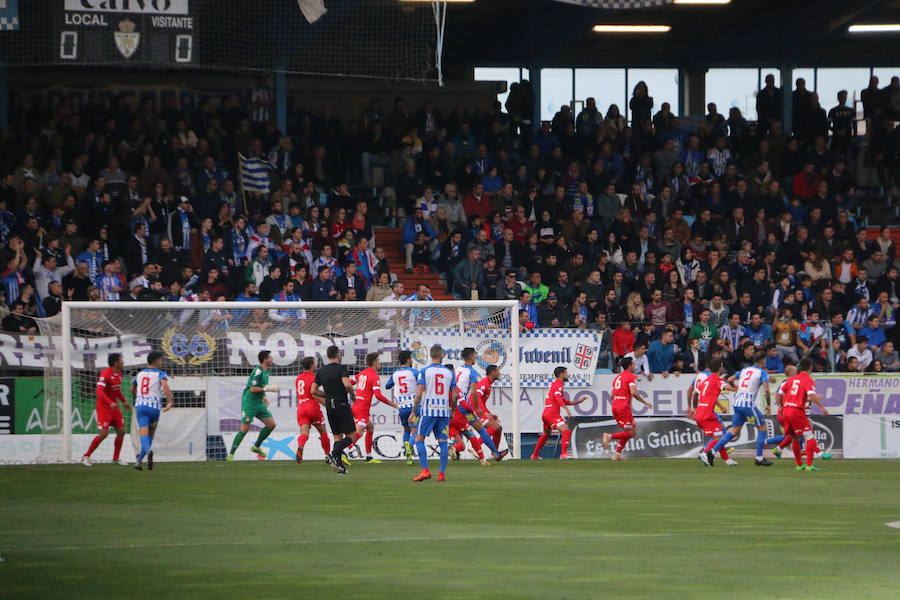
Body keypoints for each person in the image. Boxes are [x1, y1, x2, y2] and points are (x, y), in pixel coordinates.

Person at [717, 351, 774, 466]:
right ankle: (759, 458)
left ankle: (711, 451)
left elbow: (730, 380)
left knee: (734, 431)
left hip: (737, 402)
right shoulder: (762, 372)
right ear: (763, 360)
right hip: (748, 404)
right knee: (762, 427)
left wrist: (736, 388)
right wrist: (768, 404)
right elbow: (767, 390)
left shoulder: (744, 370)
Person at [410, 345, 457, 482]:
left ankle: (425, 470)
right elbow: (454, 394)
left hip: (429, 410)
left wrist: (414, 411)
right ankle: (441, 475)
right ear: (442, 355)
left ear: (430, 355)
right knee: (443, 442)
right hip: (444, 411)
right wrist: (452, 410)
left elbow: (419, 393)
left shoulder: (425, 371)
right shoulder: (449, 373)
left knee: (419, 439)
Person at [453, 349, 506, 460]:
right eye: (475, 355)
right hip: (464, 407)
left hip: (454, 405)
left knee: (459, 429)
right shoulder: (473, 373)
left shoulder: (458, 369)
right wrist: (477, 409)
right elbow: (474, 393)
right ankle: (495, 453)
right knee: (482, 430)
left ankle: (455, 449)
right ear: (471, 356)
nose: (476, 357)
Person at [227, 350, 279, 461]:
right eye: (270, 357)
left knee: (271, 424)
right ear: (265, 359)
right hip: (249, 403)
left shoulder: (266, 371)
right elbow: (252, 388)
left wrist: (264, 396)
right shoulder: (258, 371)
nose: (272, 359)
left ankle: (256, 447)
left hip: (258, 402)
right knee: (244, 429)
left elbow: (261, 387)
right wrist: (267, 389)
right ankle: (231, 455)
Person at [81, 353, 132, 467]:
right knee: (104, 434)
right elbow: (99, 391)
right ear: (115, 362)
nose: (123, 362)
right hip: (104, 408)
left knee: (121, 431)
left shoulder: (118, 374)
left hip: (115, 408)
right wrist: (110, 402)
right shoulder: (105, 374)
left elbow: (116, 390)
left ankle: (115, 459)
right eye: (121, 360)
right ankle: (86, 456)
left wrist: (123, 402)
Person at [780, 358, 829, 471]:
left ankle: (799, 464)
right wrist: (821, 407)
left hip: (786, 410)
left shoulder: (791, 380)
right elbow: (811, 395)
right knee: (809, 436)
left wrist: (782, 406)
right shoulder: (808, 380)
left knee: (795, 438)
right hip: (796, 411)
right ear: (810, 368)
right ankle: (809, 465)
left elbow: (779, 394)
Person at [350, 352, 398, 463]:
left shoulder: (361, 374)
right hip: (362, 408)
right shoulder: (374, 376)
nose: (380, 363)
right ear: (374, 362)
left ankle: (369, 456)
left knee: (370, 428)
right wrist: (393, 404)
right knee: (359, 433)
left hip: (357, 405)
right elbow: (378, 396)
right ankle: (344, 451)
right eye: (379, 361)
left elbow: (349, 383)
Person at [602, 357, 652, 460]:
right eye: (633, 364)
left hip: (615, 406)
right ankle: (609, 436)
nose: (635, 366)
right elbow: (633, 392)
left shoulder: (617, 377)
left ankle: (617, 455)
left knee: (627, 431)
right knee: (631, 433)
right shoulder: (631, 377)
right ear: (630, 365)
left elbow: (611, 395)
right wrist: (644, 402)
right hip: (623, 407)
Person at [314, 346, 355, 474]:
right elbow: (347, 384)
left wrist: (327, 395)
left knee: (337, 436)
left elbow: (313, 390)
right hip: (341, 404)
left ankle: (340, 466)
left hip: (329, 406)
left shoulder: (321, 371)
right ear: (338, 355)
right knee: (351, 436)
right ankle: (332, 454)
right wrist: (353, 395)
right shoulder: (341, 368)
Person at [689, 359, 736, 467]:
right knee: (720, 437)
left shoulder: (706, 380)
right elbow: (728, 387)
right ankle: (705, 453)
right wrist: (741, 389)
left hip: (700, 412)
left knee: (717, 436)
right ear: (720, 368)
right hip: (707, 413)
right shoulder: (717, 380)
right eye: (722, 366)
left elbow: (695, 394)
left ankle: (727, 460)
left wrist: (694, 409)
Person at [530, 367, 585, 460]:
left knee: (546, 434)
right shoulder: (559, 385)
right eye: (566, 373)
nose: (567, 375)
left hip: (546, 413)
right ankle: (563, 454)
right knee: (566, 431)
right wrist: (566, 409)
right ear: (561, 374)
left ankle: (534, 455)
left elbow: (563, 400)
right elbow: (558, 398)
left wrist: (578, 401)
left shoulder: (554, 384)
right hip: (552, 413)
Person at [131, 351, 173, 471]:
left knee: (143, 434)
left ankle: (145, 454)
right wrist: (169, 402)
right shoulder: (160, 373)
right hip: (154, 408)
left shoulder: (139, 374)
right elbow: (165, 386)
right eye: (161, 360)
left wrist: (138, 396)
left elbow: (132, 389)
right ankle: (139, 460)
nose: (162, 362)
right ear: (155, 360)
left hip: (141, 408)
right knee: (150, 435)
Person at [385, 351, 420, 465]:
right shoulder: (414, 372)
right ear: (408, 359)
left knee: (406, 430)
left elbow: (387, 386)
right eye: (411, 358)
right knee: (416, 430)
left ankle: (408, 458)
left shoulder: (395, 374)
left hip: (402, 408)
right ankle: (408, 446)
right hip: (413, 407)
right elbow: (422, 383)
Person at [294, 356, 330, 464]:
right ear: (311, 365)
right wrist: (326, 395)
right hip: (312, 407)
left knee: (304, 434)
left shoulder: (298, 379)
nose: (316, 365)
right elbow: (314, 392)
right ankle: (328, 455)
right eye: (314, 363)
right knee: (323, 432)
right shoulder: (313, 378)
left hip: (301, 408)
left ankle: (300, 446)